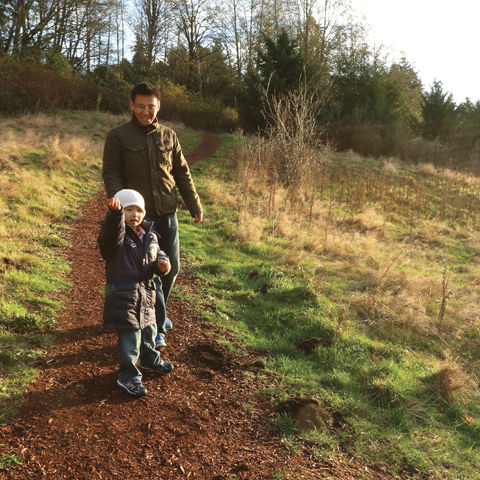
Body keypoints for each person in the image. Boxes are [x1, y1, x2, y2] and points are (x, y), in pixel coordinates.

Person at [102, 82, 203, 348]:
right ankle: (157, 326)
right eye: (142, 106)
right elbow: (111, 172)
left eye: (152, 106)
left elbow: (181, 172)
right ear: (132, 106)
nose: (147, 111)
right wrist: (119, 202)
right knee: (149, 274)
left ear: (159, 106)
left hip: (167, 213)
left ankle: (156, 312)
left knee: (172, 268)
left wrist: (194, 204)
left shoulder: (169, 135)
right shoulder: (118, 136)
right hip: (139, 219)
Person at [98, 189, 174, 397]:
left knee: (149, 332)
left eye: (138, 210)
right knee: (130, 340)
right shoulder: (115, 235)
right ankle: (128, 376)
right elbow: (111, 237)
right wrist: (114, 215)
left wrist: (162, 264)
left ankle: (150, 361)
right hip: (124, 297)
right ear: (121, 211)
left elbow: (157, 253)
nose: (134, 214)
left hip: (146, 295)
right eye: (128, 209)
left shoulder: (149, 233)